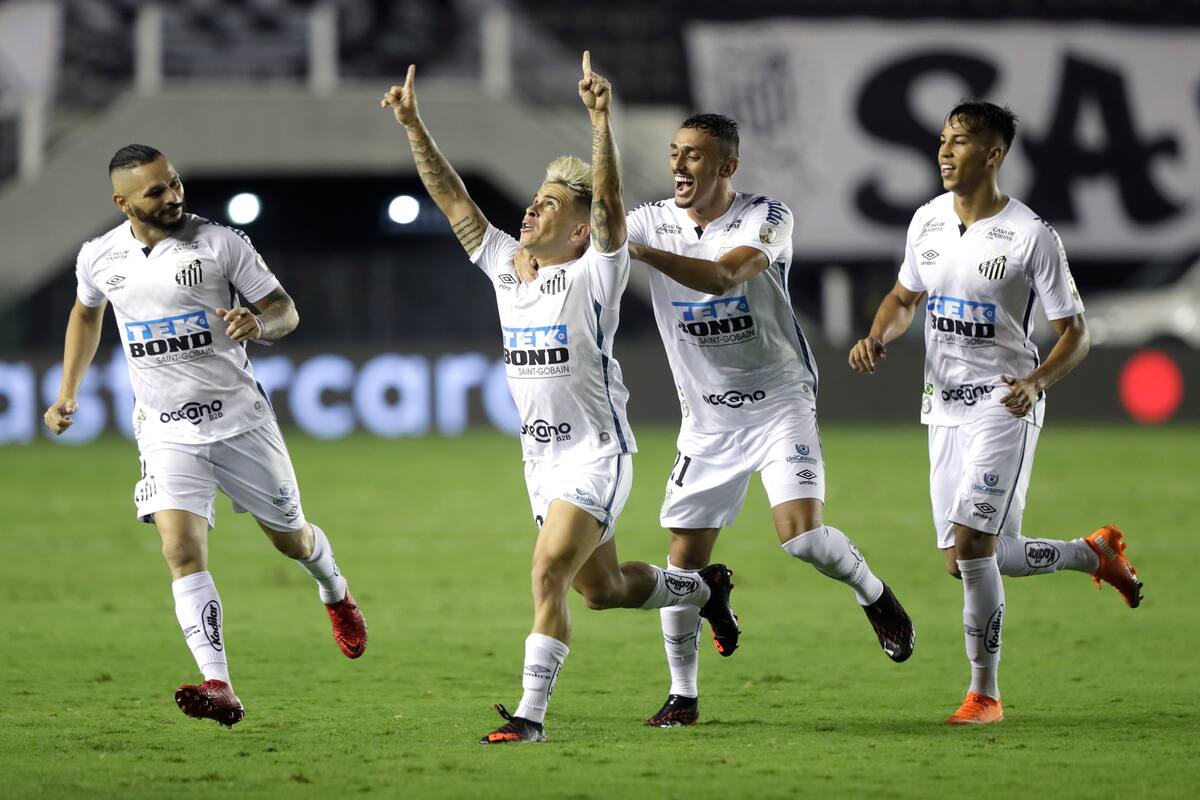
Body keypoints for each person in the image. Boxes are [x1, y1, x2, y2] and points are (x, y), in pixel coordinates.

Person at [380, 54, 741, 745]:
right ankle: (700, 589)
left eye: (549, 203)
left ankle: (530, 717)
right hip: (540, 464)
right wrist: (413, 126)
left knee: (547, 570)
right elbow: (454, 198)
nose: (531, 207)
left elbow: (609, 209)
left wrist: (601, 119)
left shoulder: (596, 271)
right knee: (600, 590)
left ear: (578, 230)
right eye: (533, 198)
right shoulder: (505, 270)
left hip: (595, 454)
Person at [578, 112, 915, 728]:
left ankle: (876, 595)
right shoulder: (652, 218)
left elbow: (723, 276)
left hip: (780, 398)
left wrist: (639, 250)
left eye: (695, 156)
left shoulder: (766, 216)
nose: (679, 165)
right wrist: (600, 122)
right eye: (675, 153)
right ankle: (683, 695)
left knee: (805, 539)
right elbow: (600, 220)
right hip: (705, 419)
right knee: (682, 565)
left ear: (728, 166)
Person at [43, 145, 367, 727]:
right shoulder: (99, 257)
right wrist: (69, 390)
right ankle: (219, 684)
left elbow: (285, 310)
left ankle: (335, 590)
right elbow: (86, 313)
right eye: (155, 192)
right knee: (179, 549)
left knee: (291, 541)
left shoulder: (221, 244)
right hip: (165, 430)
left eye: (174, 184)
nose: (172, 197)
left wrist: (259, 323)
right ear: (122, 202)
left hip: (241, 422)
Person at [848, 100, 1143, 725]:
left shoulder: (1032, 235)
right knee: (969, 559)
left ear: (993, 154)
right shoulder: (926, 221)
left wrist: (1036, 382)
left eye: (959, 141)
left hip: (1004, 402)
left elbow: (1076, 333)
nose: (944, 152)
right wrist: (879, 333)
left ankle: (984, 694)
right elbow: (905, 297)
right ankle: (1092, 554)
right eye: (942, 141)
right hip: (942, 408)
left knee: (977, 547)